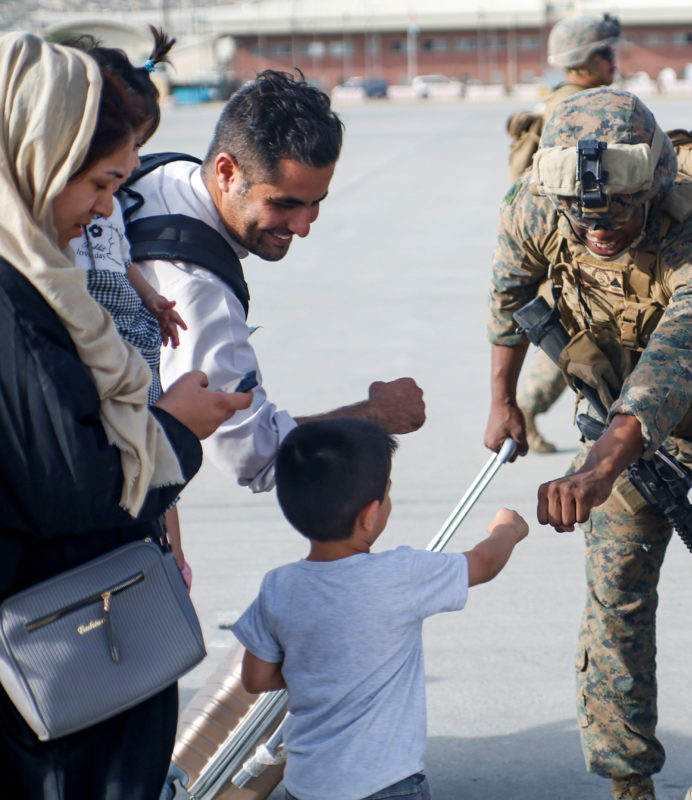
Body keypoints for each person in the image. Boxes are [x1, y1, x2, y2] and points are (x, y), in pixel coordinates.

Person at [485, 88, 692, 800]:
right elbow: (510, 292)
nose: (598, 230)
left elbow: (671, 367)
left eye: (618, 216)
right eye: (583, 219)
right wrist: (503, 401)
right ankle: (627, 778)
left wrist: (597, 469)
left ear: (655, 188)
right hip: (615, 416)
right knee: (616, 599)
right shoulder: (538, 203)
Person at [0, 32, 248, 799]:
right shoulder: (15, 301)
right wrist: (174, 428)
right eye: (100, 183)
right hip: (55, 673)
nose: (108, 209)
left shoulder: (37, 275)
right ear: (38, 159)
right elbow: (73, 489)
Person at [131, 70, 426, 493]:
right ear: (227, 171)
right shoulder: (196, 291)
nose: (302, 226)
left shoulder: (164, 172)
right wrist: (376, 415)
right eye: (283, 204)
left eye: (315, 203)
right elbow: (253, 455)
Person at [231, 419, 528, 800]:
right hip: (388, 784)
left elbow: (256, 679)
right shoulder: (400, 574)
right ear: (369, 516)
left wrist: (319, 671)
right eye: (387, 492)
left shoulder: (278, 587)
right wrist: (507, 529)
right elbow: (484, 563)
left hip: (308, 785)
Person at [68, 27, 198, 586]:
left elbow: (121, 261)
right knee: (141, 439)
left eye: (138, 149)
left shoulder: (110, 204)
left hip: (130, 323)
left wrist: (153, 299)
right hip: (97, 322)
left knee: (152, 436)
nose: (131, 167)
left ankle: (170, 551)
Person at [504, 12, 621, 453]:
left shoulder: (558, 101)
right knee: (575, 339)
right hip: (574, 245)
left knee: (572, 336)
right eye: (607, 54)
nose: (613, 62)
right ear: (587, 61)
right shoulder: (579, 111)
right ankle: (526, 410)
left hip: (559, 241)